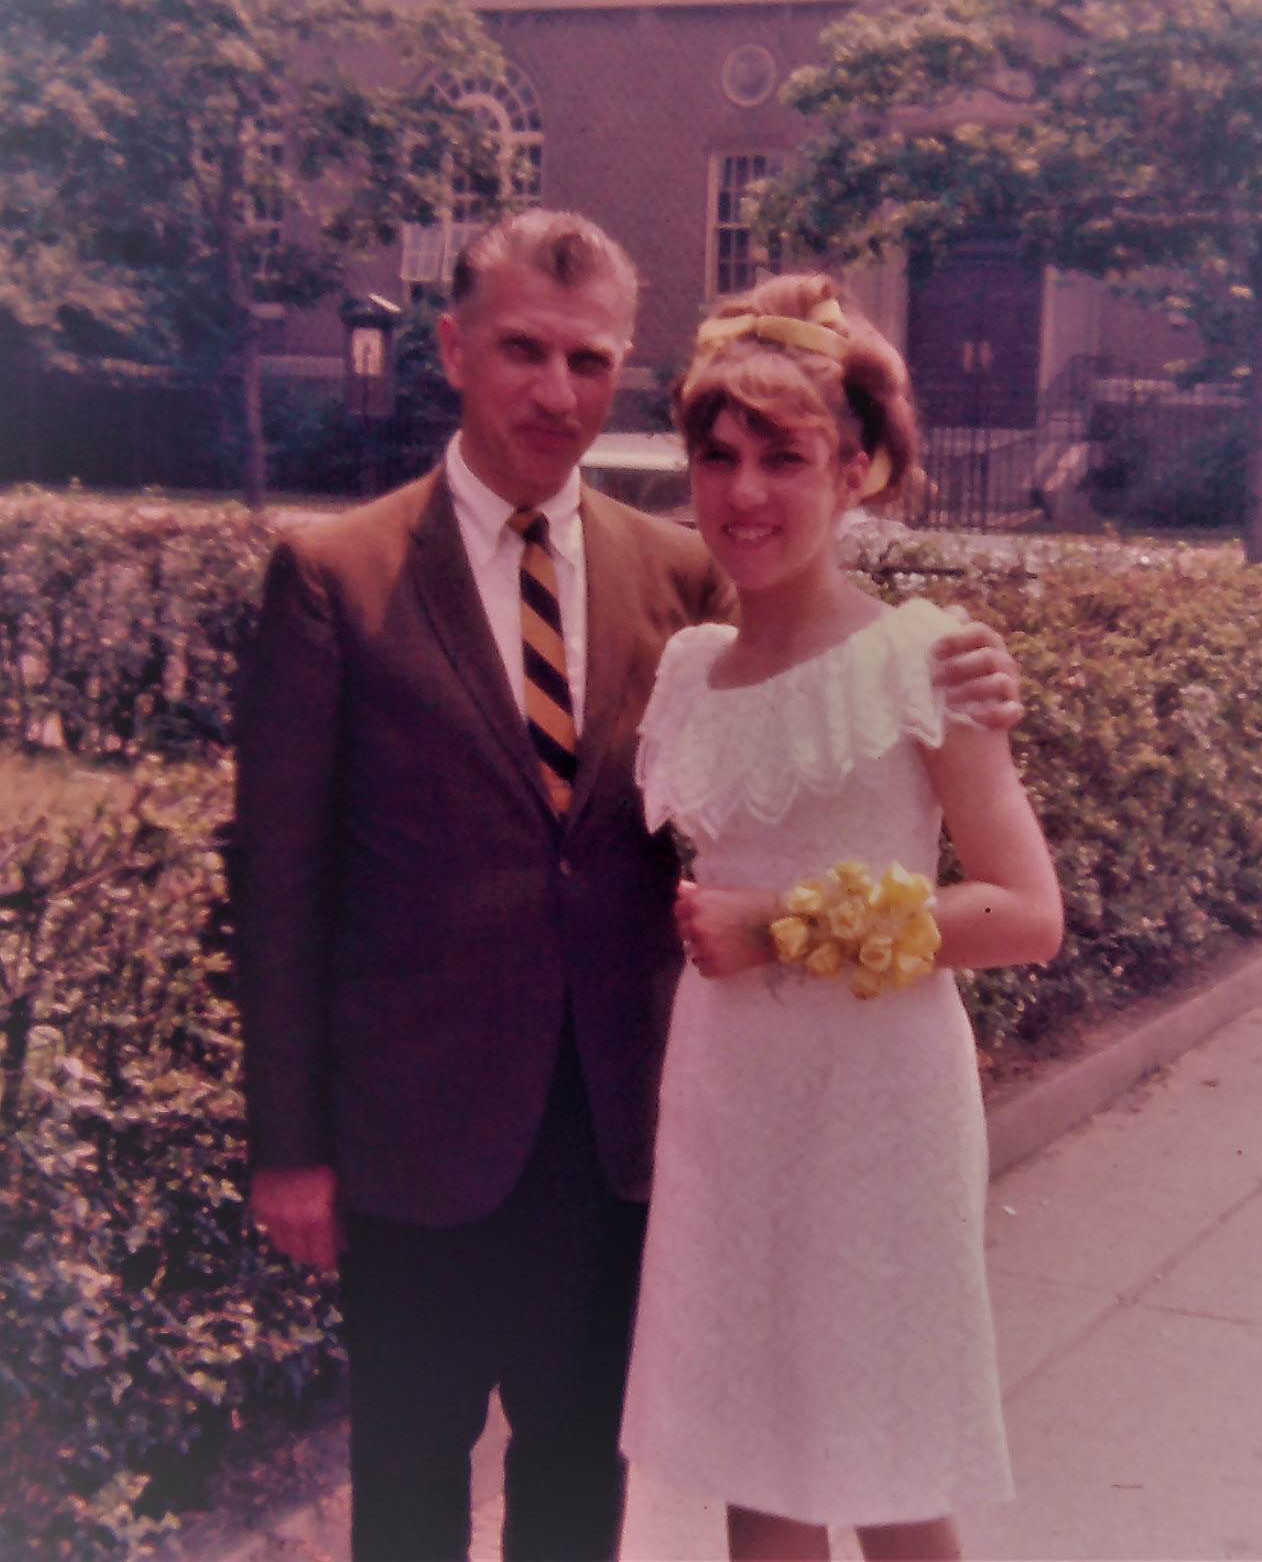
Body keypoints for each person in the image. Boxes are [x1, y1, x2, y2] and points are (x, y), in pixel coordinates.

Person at [232, 210, 1025, 1562]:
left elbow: (805, 679)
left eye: (589, 360)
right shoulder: (336, 574)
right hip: (417, 1135)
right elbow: (278, 878)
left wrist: (973, 678)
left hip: (622, 1136)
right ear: (450, 349)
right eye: (520, 352)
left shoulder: (676, 580)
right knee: (412, 1481)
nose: (555, 391)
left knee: (580, 1487)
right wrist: (289, 1141)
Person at [620, 273, 1065, 1562]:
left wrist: (785, 925)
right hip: (730, 1096)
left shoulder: (921, 661)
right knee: (754, 1459)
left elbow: (1025, 912)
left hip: (872, 1106)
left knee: (881, 1455)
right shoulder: (693, 669)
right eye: (719, 456)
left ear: (858, 469)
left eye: (786, 457)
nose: (745, 492)